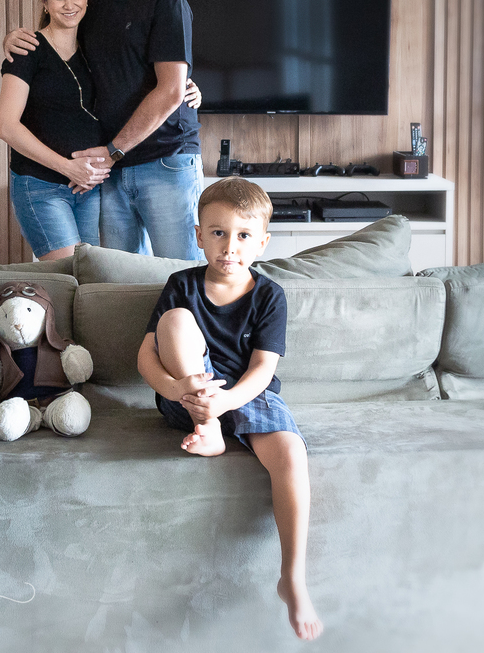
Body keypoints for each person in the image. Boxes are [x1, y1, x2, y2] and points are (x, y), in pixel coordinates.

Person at [137, 177, 323, 641]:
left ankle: (293, 578)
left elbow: (263, 370)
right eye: (217, 233)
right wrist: (179, 387)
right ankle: (210, 429)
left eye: (243, 236)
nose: (229, 246)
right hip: (189, 396)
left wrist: (228, 400)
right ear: (198, 235)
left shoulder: (268, 295)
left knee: (291, 456)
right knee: (175, 322)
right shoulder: (181, 284)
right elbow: (146, 356)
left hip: (246, 394)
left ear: (262, 241)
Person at [4, 0, 204, 260]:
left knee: (179, 273)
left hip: (163, 160)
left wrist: (115, 150)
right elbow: (56, 40)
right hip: (108, 172)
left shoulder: (166, 0)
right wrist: (16, 37)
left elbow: (170, 89)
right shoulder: (90, 5)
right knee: (115, 281)